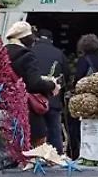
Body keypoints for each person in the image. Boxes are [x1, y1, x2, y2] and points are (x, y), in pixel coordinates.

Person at [4, 20, 59, 148]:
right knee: (36, 147)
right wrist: (51, 85)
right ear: (24, 38)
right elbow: (34, 83)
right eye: (31, 37)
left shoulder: (2, 52)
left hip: (5, 106)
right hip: (25, 110)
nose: (33, 40)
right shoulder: (26, 55)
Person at [66, 34, 98, 154]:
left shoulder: (83, 61)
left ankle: (79, 151)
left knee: (78, 126)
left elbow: (79, 79)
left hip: (86, 100)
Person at [30, 28, 68, 153]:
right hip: (52, 100)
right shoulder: (59, 54)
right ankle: (56, 158)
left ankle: (35, 157)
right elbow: (66, 77)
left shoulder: (29, 52)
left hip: (33, 102)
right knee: (54, 132)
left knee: (34, 133)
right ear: (51, 40)